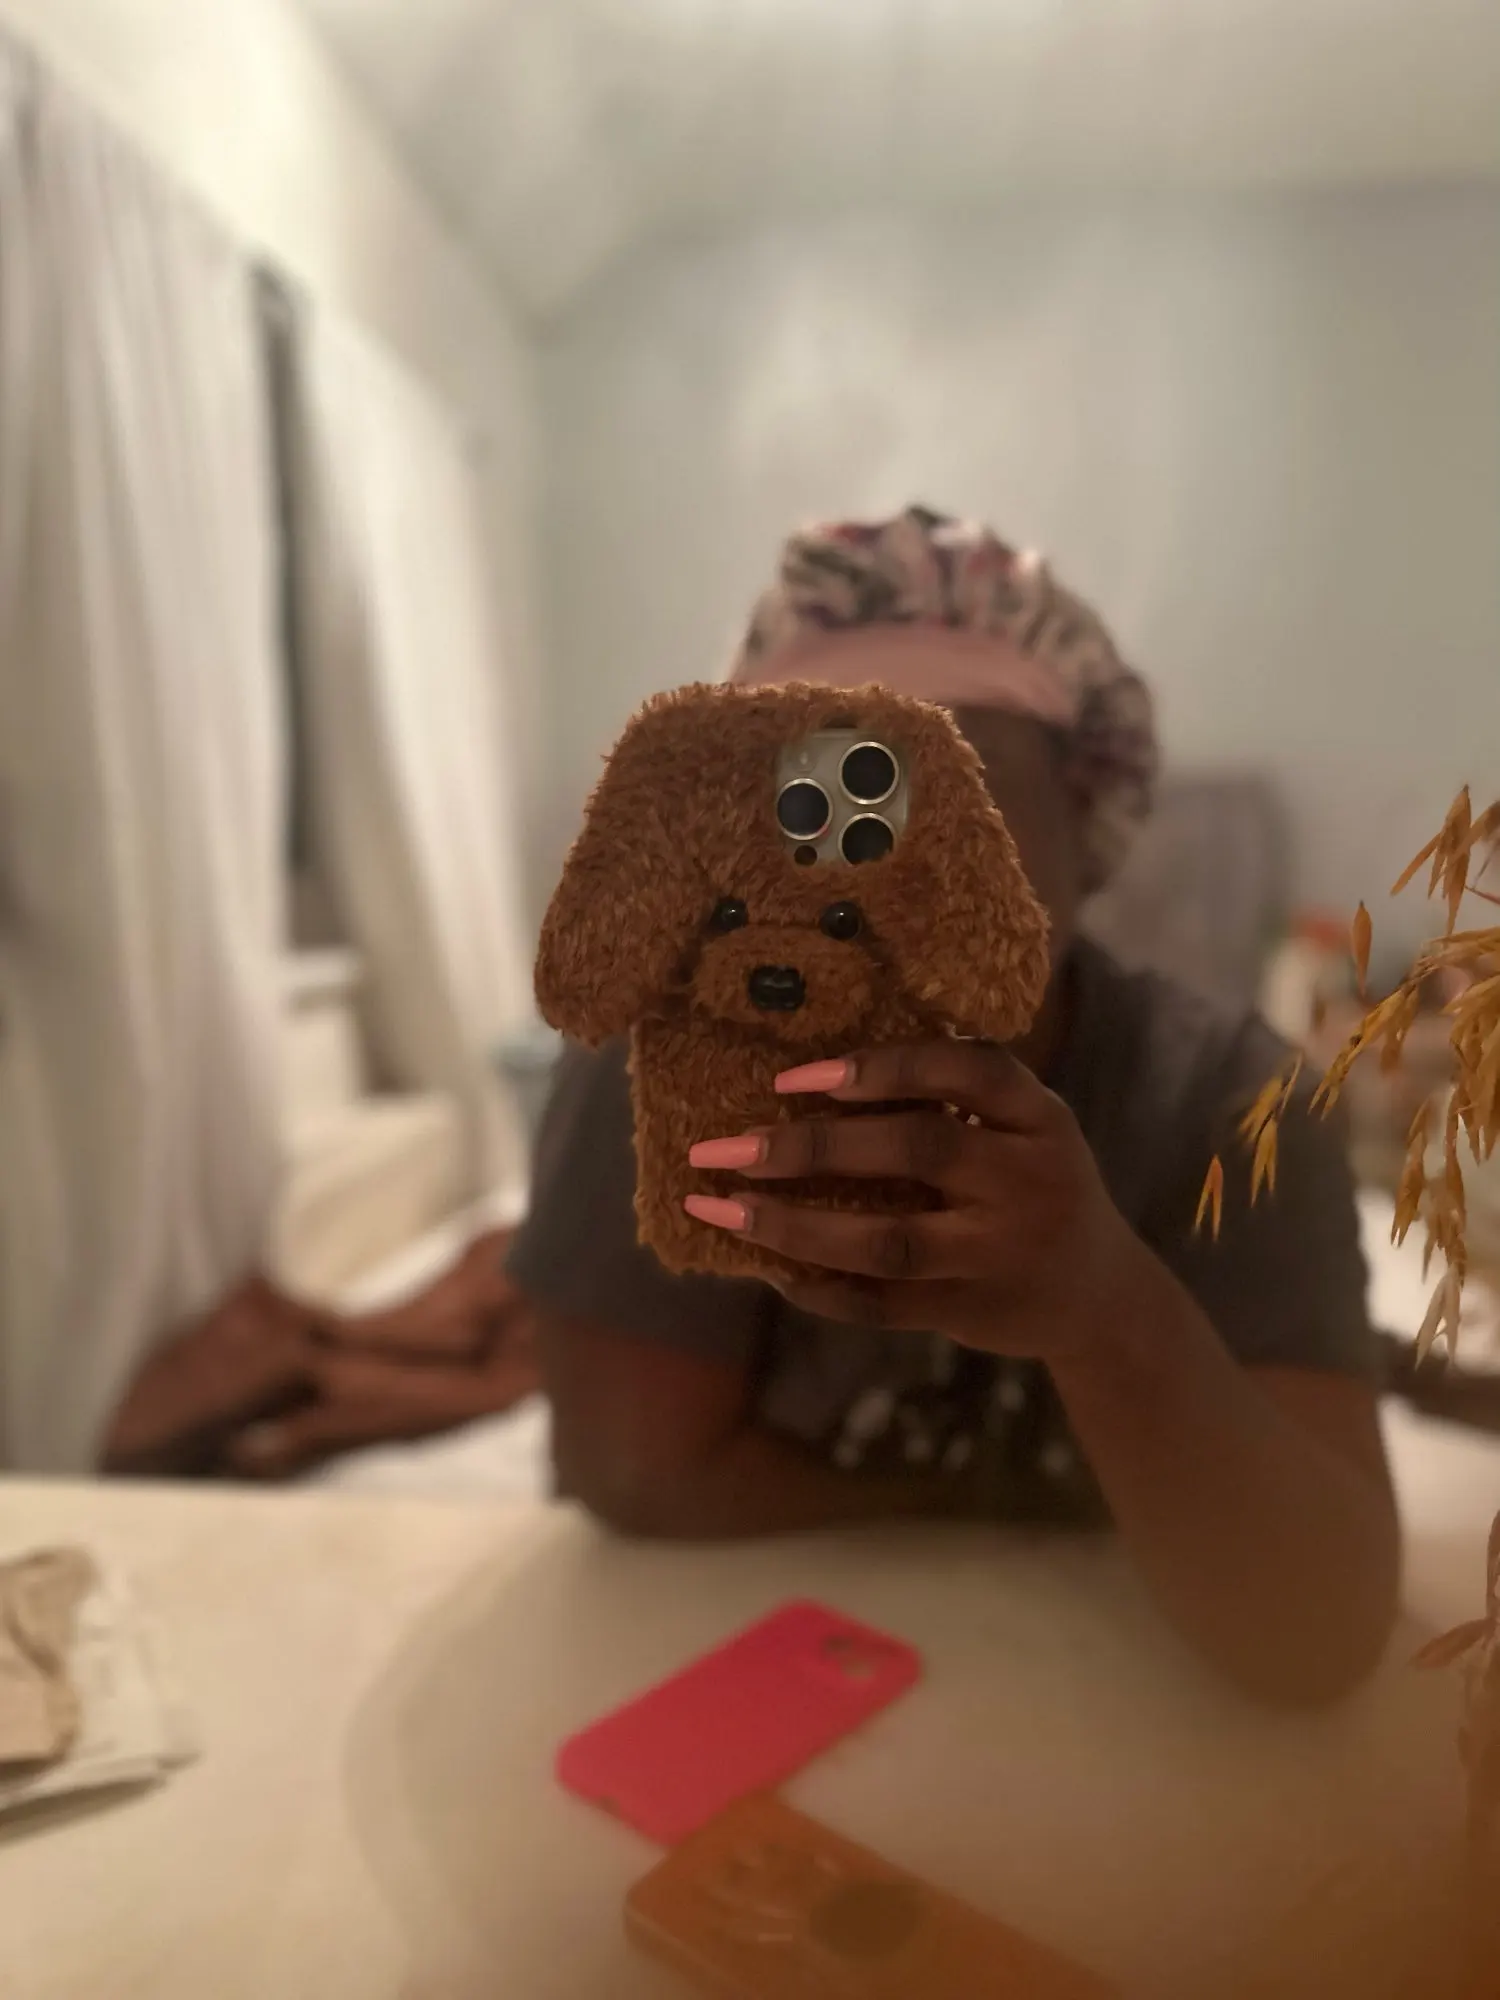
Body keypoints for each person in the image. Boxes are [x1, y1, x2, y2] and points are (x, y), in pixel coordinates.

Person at [510, 506, 1400, 1707]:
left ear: (1084, 824)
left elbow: (1320, 1629)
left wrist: (1106, 1309)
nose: (877, 862)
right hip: (765, 1684)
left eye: (954, 784)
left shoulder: (1229, 1106)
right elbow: (634, 1471)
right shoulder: (652, 1067)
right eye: (808, 799)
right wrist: (1009, 1508)